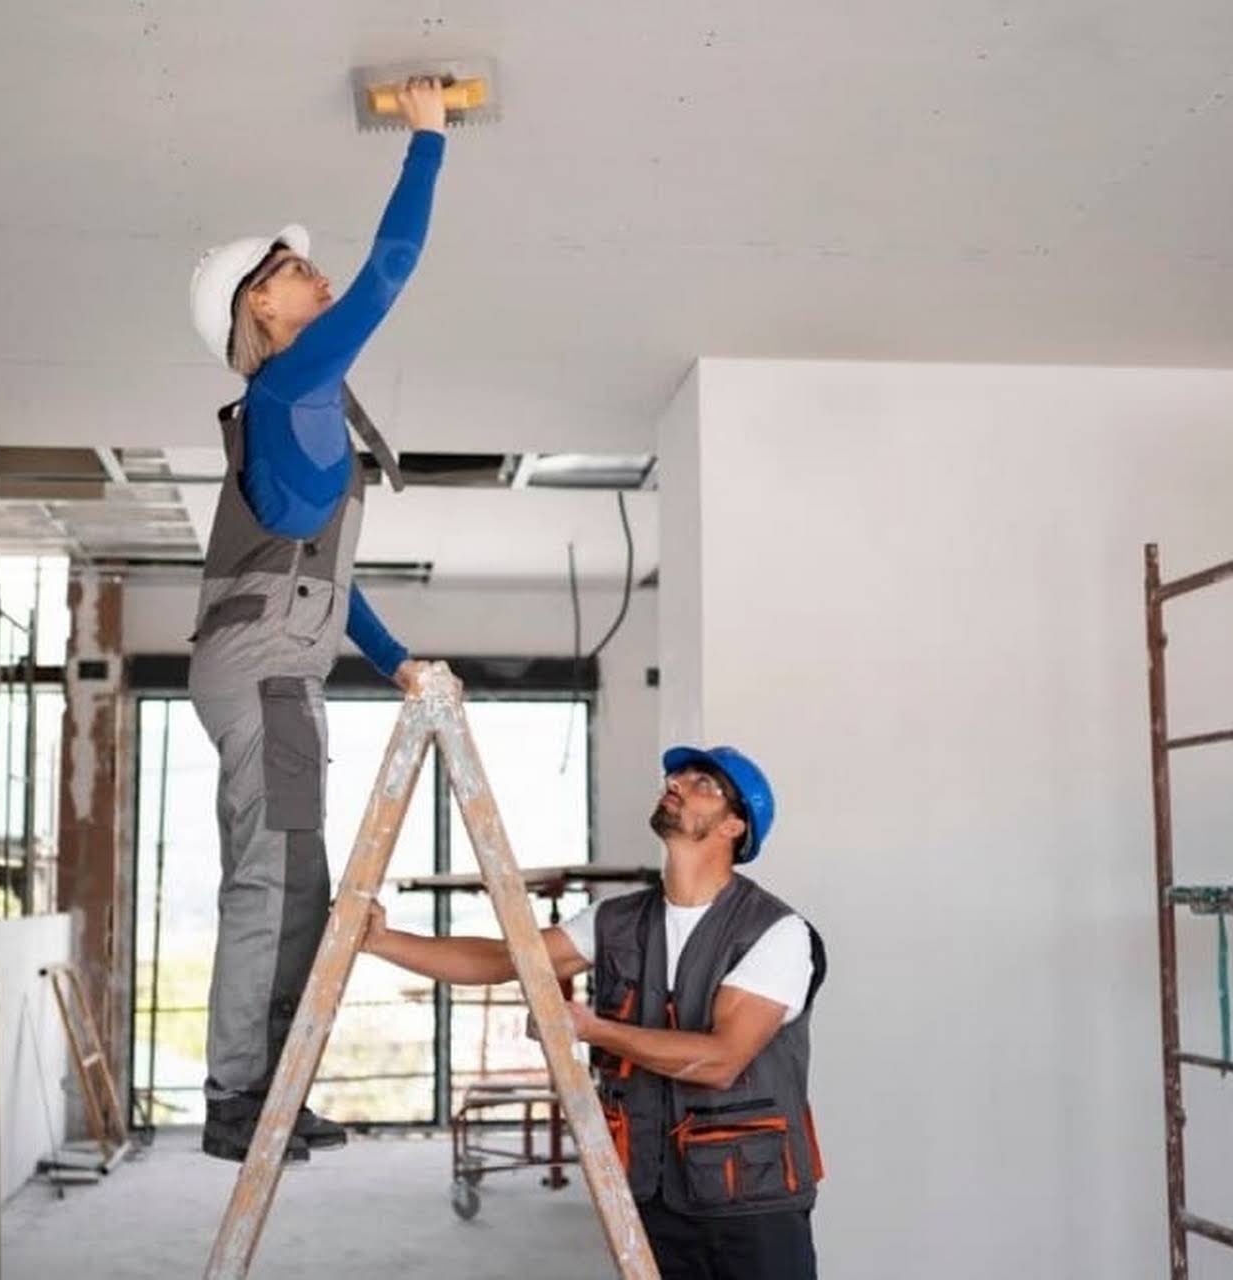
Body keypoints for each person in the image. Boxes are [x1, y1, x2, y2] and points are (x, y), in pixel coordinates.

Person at [185, 79, 447, 1163]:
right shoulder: (291, 385)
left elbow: (324, 583)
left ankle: (268, 1087)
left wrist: (388, 658)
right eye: (292, 271)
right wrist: (427, 141)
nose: (315, 275)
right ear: (263, 312)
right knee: (274, 877)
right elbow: (388, 276)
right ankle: (239, 1096)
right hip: (264, 672)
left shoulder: (298, 407)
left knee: (294, 877)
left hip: (266, 662)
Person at [362, 744, 826, 1278]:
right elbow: (503, 958)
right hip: (649, 1197)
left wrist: (591, 1029)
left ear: (734, 827)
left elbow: (720, 1060)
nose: (676, 783)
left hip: (753, 1204)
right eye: (677, 775)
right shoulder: (615, 920)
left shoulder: (775, 933)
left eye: (703, 783)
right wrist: (384, 942)